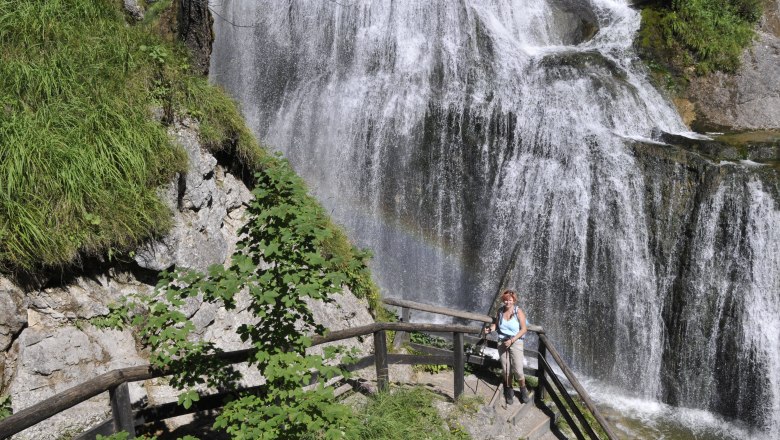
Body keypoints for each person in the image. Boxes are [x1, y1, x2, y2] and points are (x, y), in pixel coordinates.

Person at [486, 289, 530, 405]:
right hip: (502, 342)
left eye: (510, 300)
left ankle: (523, 389)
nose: (507, 302)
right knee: (506, 370)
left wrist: (512, 340)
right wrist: (490, 329)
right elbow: (496, 324)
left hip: (516, 341)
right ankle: (509, 389)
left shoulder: (518, 312)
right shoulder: (500, 311)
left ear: (514, 300)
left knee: (518, 370)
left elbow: (524, 329)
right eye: (505, 300)